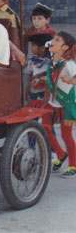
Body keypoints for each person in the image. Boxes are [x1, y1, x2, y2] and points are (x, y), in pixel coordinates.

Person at [43, 31, 76, 178]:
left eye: (57, 40)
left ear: (65, 47)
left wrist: (71, 81)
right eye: (53, 39)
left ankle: (73, 165)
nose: (53, 42)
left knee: (66, 135)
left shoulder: (69, 64)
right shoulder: (53, 62)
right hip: (52, 102)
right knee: (45, 128)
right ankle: (61, 154)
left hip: (66, 103)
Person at [23, 33, 53, 103]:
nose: (31, 48)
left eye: (33, 45)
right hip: (34, 93)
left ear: (42, 48)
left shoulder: (51, 62)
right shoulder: (32, 61)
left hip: (47, 95)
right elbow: (27, 75)